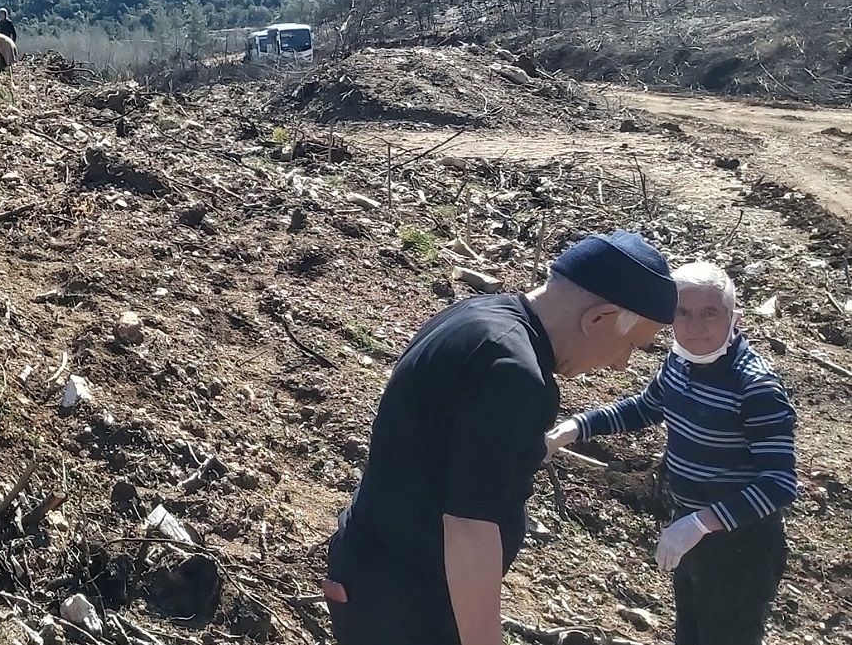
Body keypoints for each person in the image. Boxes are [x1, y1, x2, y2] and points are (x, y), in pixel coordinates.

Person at [324, 230, 677, 645]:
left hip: (376, 575)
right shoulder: (512, 373)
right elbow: (470, 527)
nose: (621, 364)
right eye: (630, 345)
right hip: (407, 604)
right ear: (598, 318)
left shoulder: (478, 315)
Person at [549, 262, 796, 645]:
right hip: (690, 528)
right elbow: (646, 407)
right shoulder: (680, 362)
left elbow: (779, 483)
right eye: (683, 313)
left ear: (735, 319)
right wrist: (576, 427)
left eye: (710, 313)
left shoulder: (755, 387)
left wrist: (702, 523)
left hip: (741, 544)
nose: (695, 326)